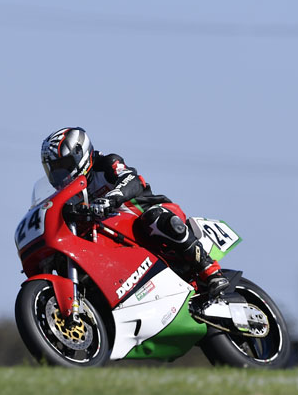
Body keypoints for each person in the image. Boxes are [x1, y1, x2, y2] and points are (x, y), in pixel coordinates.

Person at [40, 126, 229, 314]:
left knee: (154, 218)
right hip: (114, 238)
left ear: (79, 154)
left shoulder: (106, 164)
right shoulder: (69, 196)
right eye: (54, 170)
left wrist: (111, 199)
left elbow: (131, 179)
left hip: (143, 216)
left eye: (63, 165)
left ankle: (210, 271)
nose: (60, 174)